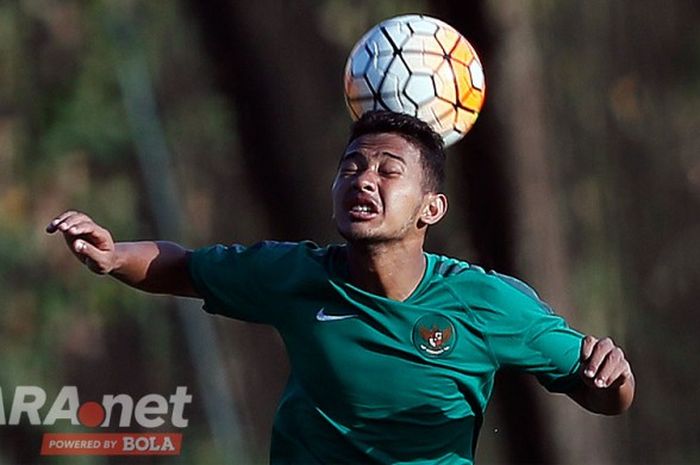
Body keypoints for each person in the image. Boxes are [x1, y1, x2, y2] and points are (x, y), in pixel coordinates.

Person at [46, 111, 634, 464]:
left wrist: (614, 379)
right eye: (352, 166)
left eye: (388, 171)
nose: (363, 178)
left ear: (432, 207)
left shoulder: (485, 303)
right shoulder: (294, 276)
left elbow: (601, 390)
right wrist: (113, 255)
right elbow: (185, 266)